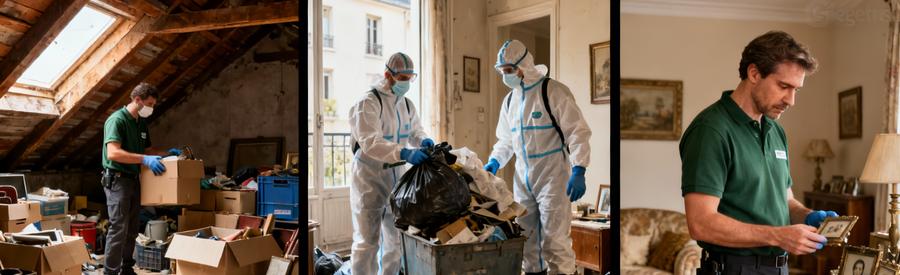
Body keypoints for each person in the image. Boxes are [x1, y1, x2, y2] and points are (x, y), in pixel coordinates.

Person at [680, 31, 838, 274]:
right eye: (784, 86)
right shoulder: (711, 130)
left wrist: (808, 216)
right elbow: (701, 223)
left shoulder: (776, 131)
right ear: (754, 73)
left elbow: (784, 200)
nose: (791, 100)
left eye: (797, 89)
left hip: (778, 268)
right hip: (733, 269)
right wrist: (778, 236)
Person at [483, 39, 592, 275]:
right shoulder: (510, 100)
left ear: (523, 67)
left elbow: (577, 132)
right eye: (502, 71)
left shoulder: (552, 91)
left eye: (509, 70)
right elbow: (506, 140)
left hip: (553, 175)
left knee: (555, 241)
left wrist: (579, 169)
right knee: (527, 241)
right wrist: (494, 161)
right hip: (523, 177)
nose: (505, 76)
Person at [348, 52, 434, 275]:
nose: (406, 83)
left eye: (410, 78)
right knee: (367, 241)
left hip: (397, 179)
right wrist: (404, 152)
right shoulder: (368, 102)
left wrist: (422, 140)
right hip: (370, 177)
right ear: (388, 75)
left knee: (395, 240)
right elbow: (370, 142)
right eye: (403, 78)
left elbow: (414, 130)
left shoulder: (406, 105)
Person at [101, 83, 182, 275]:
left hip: (133, 179)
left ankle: (127, 268)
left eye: (153, 104)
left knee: (132, 228)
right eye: (150, 104)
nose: (151, 108)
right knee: (118, 229)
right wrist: (144, 160)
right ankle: (110, 272)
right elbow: (113, 153)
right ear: (137, 100)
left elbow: (147, 150)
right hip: (117, 180)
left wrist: (166, 154)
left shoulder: (140, 123)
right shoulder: (117, 120)